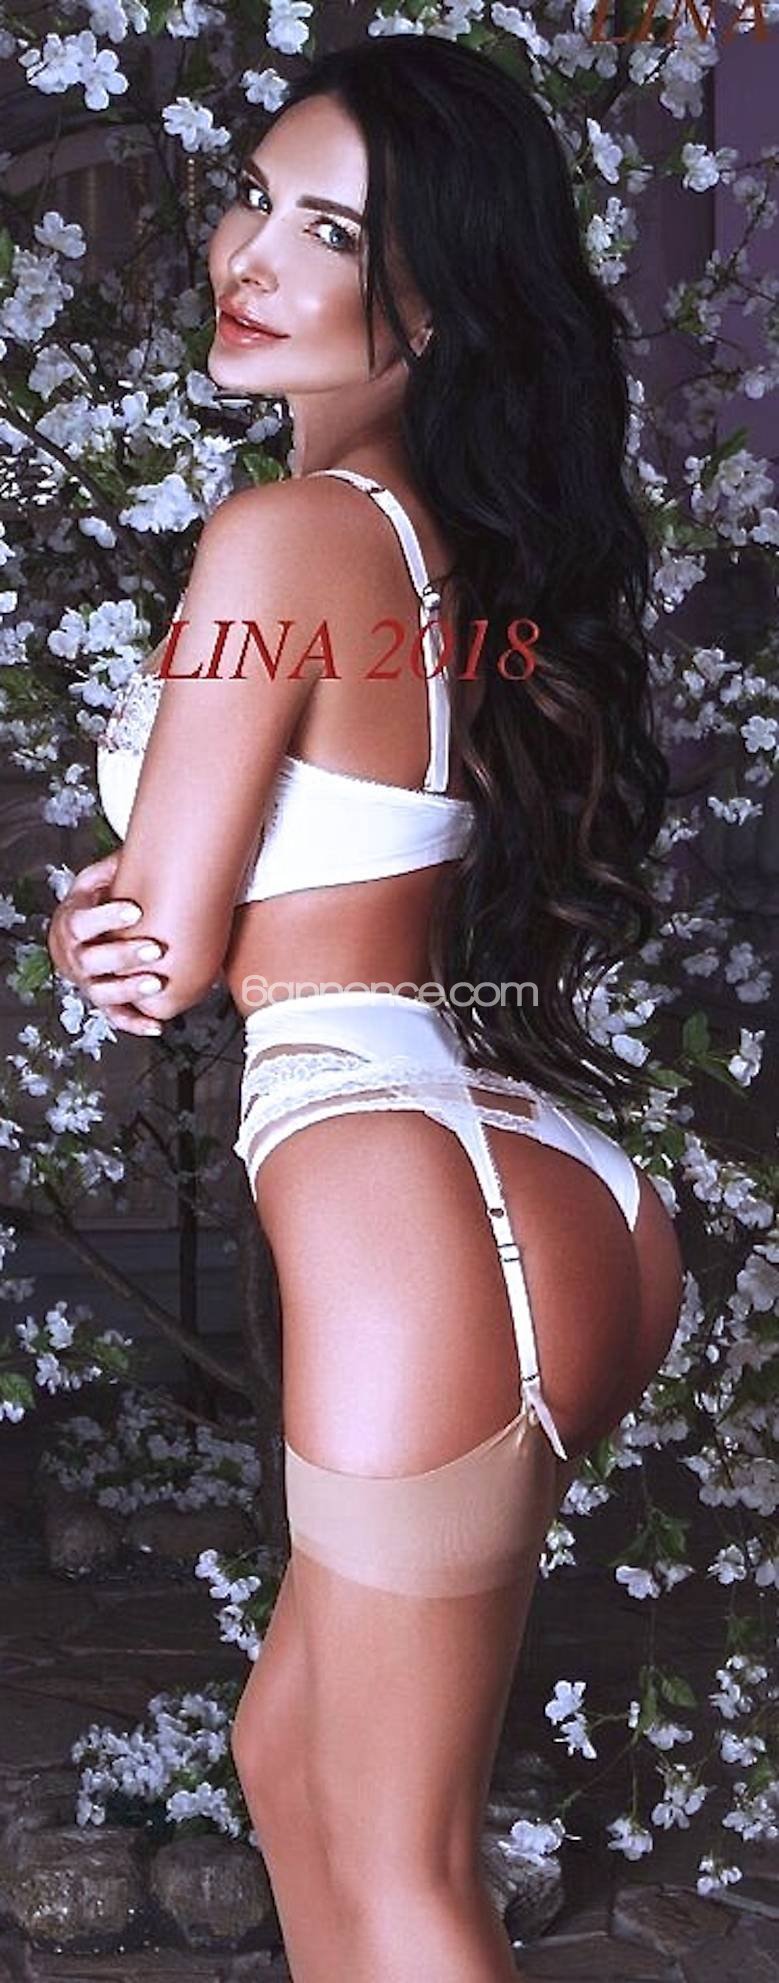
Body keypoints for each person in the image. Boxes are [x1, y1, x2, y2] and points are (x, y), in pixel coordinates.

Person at [47, 35, 684, 1981]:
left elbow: (167, 952)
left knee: (399, 1862)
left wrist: (90, 923)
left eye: (331, 233)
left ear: (433, 303)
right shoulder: (453, 541)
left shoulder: (284, 538)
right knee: (289, 1757)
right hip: (535, 1182)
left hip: (400, 1183)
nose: (251, 254)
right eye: (255, 196)